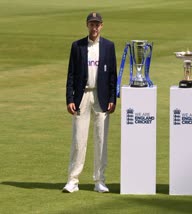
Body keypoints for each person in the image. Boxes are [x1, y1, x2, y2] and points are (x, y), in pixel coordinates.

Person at [63, 12, 117, 193]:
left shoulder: (109, 46)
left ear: (102, 26)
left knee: (101, 140)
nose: (94, 28)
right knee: (79, 140)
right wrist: (70, 99)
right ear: (87, 25)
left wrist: (112, 98)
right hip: (82, 96)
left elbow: (112, 76)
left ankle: (99, 181)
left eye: (97, 24)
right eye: (91, 24)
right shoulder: (77, 46)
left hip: (101, 98)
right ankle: (73, 180)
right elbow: (70, 74)